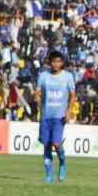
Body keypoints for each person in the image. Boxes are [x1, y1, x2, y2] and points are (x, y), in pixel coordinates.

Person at [35, 50, 76, 182]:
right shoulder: (44, 76)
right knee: (46, 145)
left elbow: (73, 95)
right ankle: (49, 175)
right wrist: (36, 96)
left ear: (62, 63)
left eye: (58, 61)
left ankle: (63, 163)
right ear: (50, 63)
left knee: (56, 143)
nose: (56, 64)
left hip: (59, 116)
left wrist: (69, 110)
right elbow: (37, 91)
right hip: (46, 115)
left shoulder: (68, 77)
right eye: (53, 61)